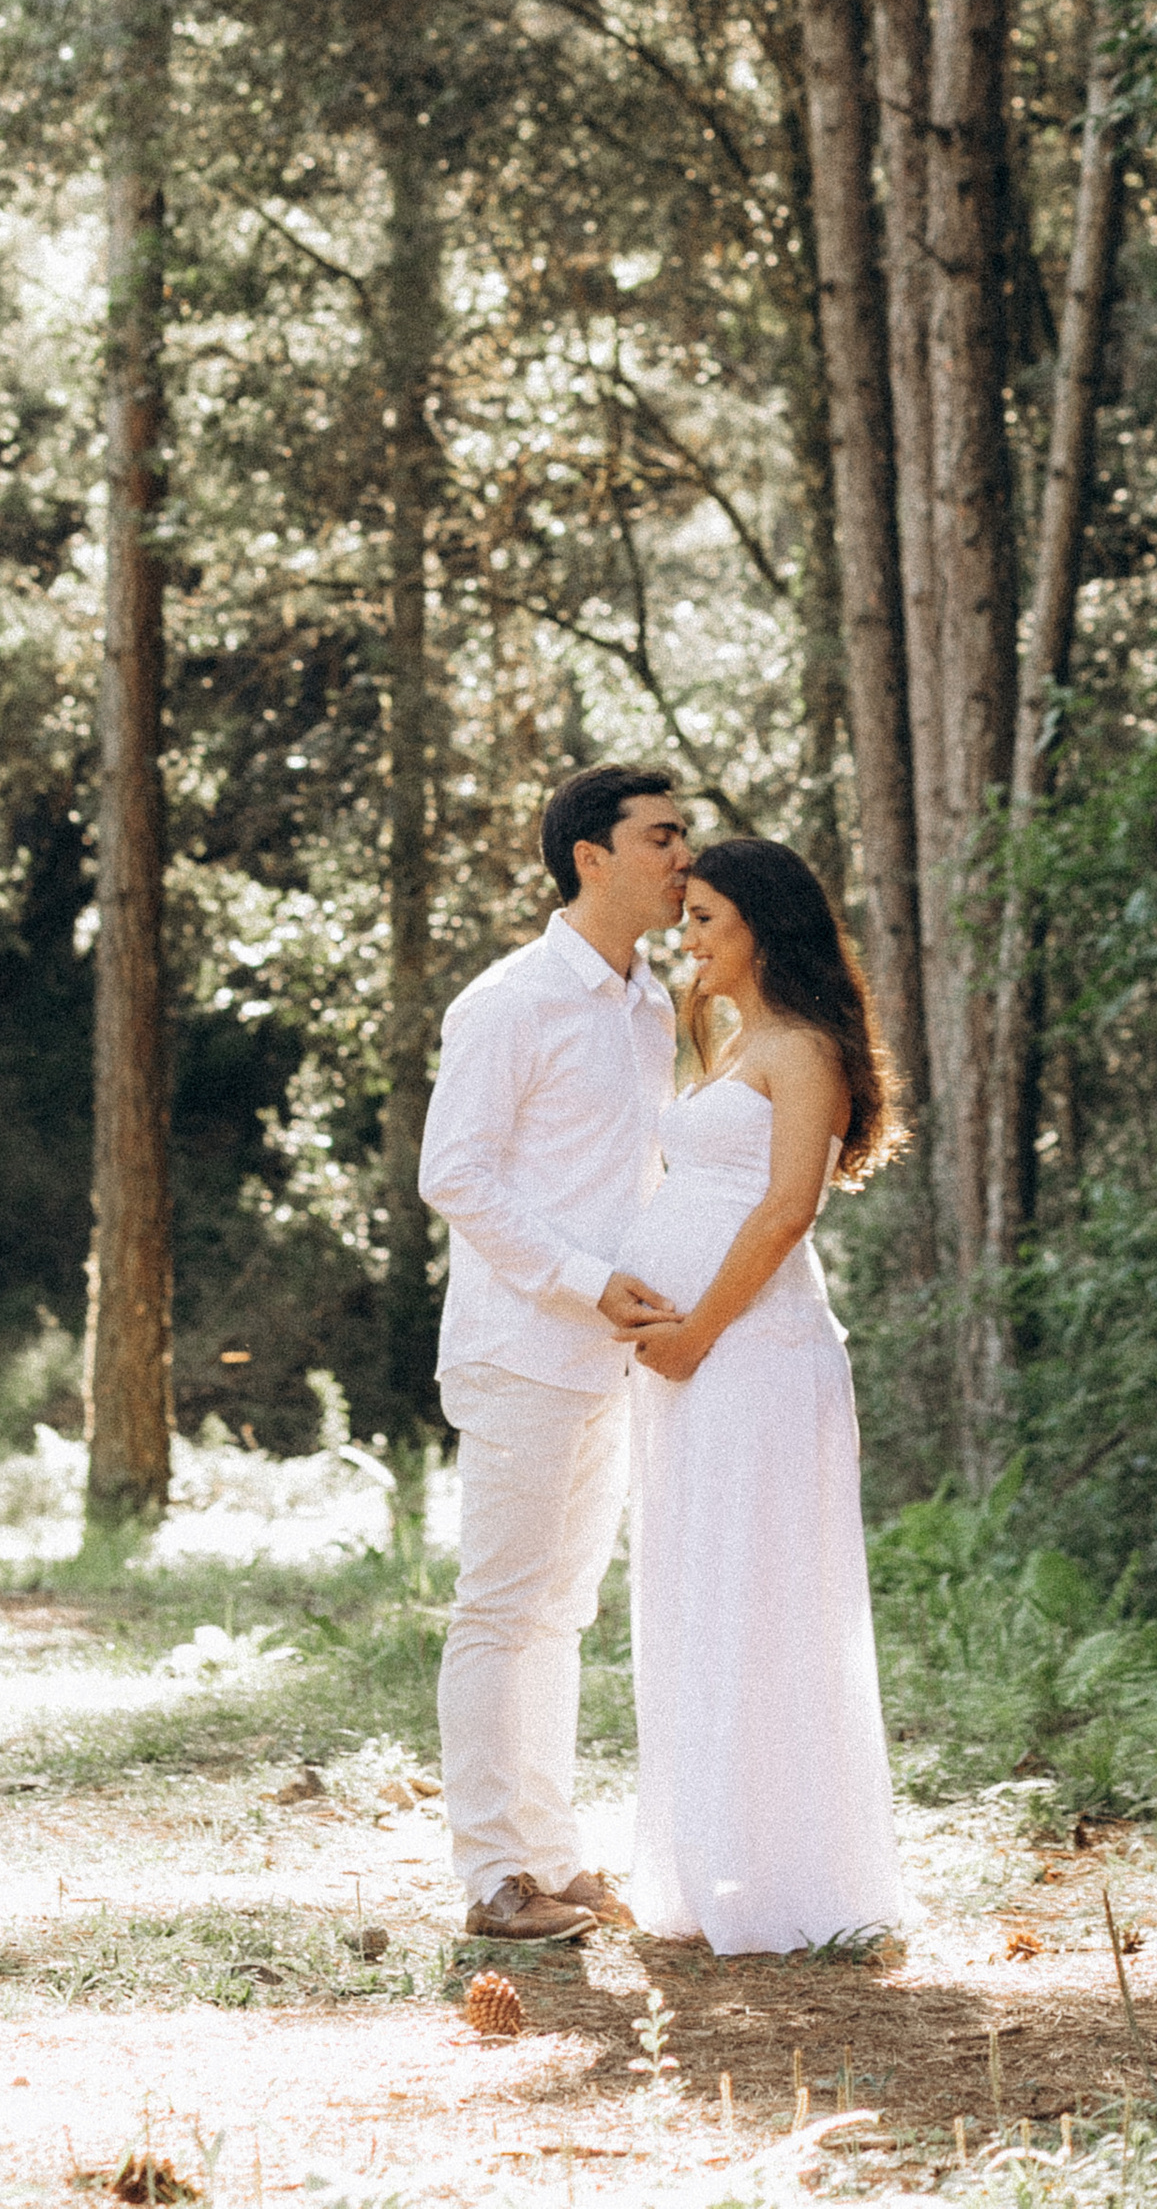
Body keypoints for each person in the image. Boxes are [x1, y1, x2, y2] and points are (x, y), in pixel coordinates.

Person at [417, 763, 690, 1944]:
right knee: (498, 1608)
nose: (684, 858)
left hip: (614, 1361)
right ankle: (492, 1879)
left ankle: (554, 1860)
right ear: (591, 855)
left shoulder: (652, 1008)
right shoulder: (509, 1001)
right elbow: (453, 1174)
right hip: (523, 1345)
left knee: (563, 1614)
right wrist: (583, 1283)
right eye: (663, 836)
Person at [621, 834, 904, 1955]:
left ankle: (790, 1879)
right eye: (684, 918)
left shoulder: (805, 1052)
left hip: (754, 1354)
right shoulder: (733, 1043)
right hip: (698, 1365)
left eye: (704, 920)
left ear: (762, 929)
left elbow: (788, 1209)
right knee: (695, 1590)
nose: (685, 939)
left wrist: (692, 1332)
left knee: (762, 1599)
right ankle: (709, 1864)